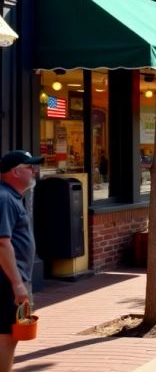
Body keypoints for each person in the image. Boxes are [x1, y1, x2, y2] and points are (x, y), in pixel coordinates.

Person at [0, 151, 41, 372]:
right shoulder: (5, 198)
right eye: (29, 167)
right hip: (6, 280)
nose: (34, 171)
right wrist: (17, 284)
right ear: (15, 172)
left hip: (11, 278)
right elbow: (2, 243)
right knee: (7, 335)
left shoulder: (11, 197)